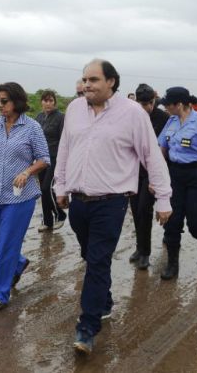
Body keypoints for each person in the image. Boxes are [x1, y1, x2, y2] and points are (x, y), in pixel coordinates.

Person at [54, 59, 172, 355]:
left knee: (97, 260)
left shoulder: (132, 114)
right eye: (84, 79)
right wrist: (60, 185)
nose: (86, 85)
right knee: (90, 256)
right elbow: (65, 149)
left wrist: (164, 198)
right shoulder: (74, 109)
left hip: (112, 202)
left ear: (111, 82)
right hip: (78, 201)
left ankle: (87, 327)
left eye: (93, 79)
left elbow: (152, 157)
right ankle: (104, 300)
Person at [0, 82, 50, 312]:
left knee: (6, 244)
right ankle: (19, 263)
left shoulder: (31, 127)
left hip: (19, 198)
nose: (0, 105)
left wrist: (27, 172)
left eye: (4, 101)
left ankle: (0, 294)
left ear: (17, 101)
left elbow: (44, 158)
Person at [158, 87, 197, 281]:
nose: (165, 107)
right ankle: (172, 264)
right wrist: (157, 175)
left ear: (180, 104)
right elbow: (163, 148)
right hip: (175, 174)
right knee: (172, 221)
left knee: (195, 220)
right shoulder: (171, 121)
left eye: (168, 104)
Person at [128, 83, 170, 270]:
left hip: (151, 173)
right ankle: (139, 247)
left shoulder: (163, 118)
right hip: (133, 172)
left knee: (145, 211)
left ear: (154, 101)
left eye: (148, 104)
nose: (145, 108)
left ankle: (145, 253)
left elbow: (163, 149)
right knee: (136, 212)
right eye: (141, 104)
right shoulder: (131, 116)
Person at [35, 90, 67, 232]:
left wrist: (63, 160)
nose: (48, 103)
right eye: (45, 100)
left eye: (50, 101)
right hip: (41, 159)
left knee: (47, 188)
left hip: (55, 157)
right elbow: (34, 137)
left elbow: (64, 140)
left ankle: (60, 214)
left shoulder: (61, 118)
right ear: (41, 102)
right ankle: (47, 221)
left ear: (54, 102)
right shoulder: (39, 117)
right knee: (43, 191)